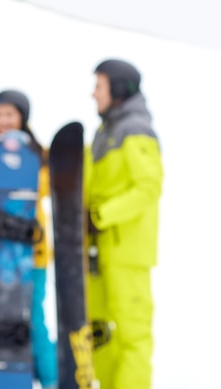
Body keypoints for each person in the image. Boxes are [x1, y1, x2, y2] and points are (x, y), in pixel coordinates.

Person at [0, 89, 58, 389]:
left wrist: (17, 158)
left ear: (23, 117)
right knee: (4, 324)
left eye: (10, 114)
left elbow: (40, 189)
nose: (3, 121)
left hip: (33, 257)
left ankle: (53, 379)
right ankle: (9, 379)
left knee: (33, 321)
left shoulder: (36, 155)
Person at [86, 58, 163, 389]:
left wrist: (103, 216)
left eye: (99, 86)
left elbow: (149, 187)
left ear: (117, 90)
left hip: (126, 254)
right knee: (100, 334)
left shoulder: (135, 130)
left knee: (132, 337)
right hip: (99, 253)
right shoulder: (105, 132)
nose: (93, 94)